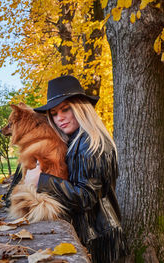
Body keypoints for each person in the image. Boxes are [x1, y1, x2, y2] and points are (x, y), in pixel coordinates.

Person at [23, 75, 128, 263]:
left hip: (99, 240)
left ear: (81, 109)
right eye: (54, 113)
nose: (59, 118)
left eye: (65, 109)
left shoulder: (91, 144)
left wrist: (42, 181)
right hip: (92, 234)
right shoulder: (75, 140)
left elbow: (85, 197)